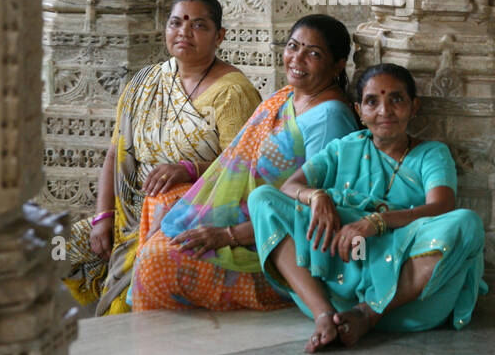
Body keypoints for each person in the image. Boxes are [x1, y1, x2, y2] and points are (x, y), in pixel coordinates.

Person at [247, 63, 486, 353]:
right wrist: (318, 197)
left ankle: (366, 314)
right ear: (359, 111)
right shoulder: (343, 148)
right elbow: (289, 187)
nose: (385, 111)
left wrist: (378, 222)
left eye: (396, 99)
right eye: (372, 102)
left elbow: (441, 206)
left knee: (465, 223)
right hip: (338, 273)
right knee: (262, 200)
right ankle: (324, 315)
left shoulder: (431, 153)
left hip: (405, 292)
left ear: (414, 107)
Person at [131, 16, 358, 312]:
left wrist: (226, 236)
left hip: (276, 246)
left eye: (313, 53)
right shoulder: (287, 97)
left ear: (338, 64)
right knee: (160, 202)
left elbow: (312, 213)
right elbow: (237, 163)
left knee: (154, 263)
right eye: (293, 46)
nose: (297, 58)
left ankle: (161, 346)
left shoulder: (330, 118)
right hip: (243, 215)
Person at [63, 0, 261, 316]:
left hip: (186, 215)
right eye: (176, 22)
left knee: (134, 284)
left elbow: (244, 167)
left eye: (199, 25)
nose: (184, 32)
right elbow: (115, 155)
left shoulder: (232, 93)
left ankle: (130, 340)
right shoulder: (146, 82)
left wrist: (190, 169)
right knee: (53, 250)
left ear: (219, 36)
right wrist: (102, 218)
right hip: (128, 212)